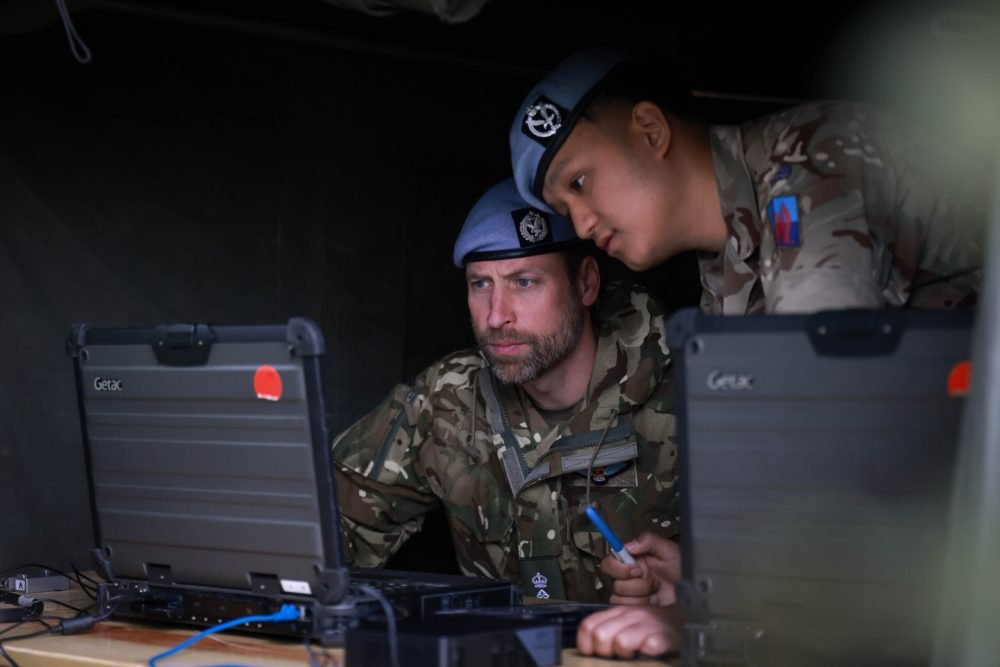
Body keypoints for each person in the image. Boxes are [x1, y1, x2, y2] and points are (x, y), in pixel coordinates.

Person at [330, 178, 679, 604]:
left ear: (586, 284)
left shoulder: (687, 393)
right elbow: (327, 526)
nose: (497, 316)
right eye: (480, 284)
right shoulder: (448, 396)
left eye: (524, 282)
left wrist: (697, 589)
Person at [509, 48, 986, 316]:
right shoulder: (721, 269)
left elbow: (821, 394)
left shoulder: (807, 163)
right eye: (566, 210)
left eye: (579, 183)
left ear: (651, 131)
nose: (583, 223)